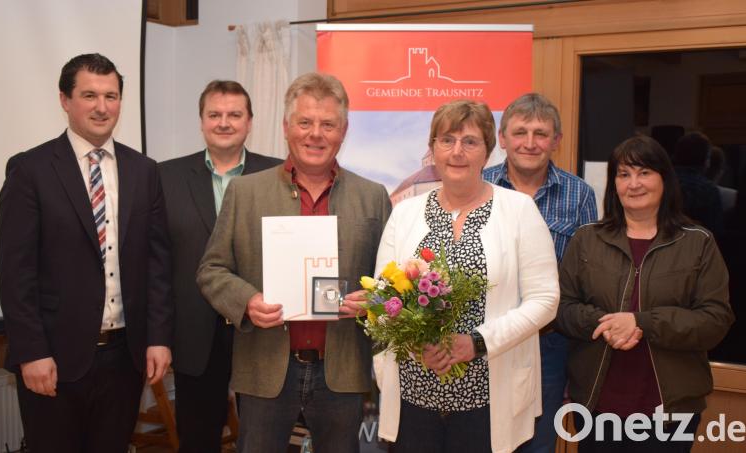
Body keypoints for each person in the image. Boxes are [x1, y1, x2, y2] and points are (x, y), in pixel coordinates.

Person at [196, 72, 391, 453]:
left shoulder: (372, 197)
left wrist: (376, 301)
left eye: (328, 124)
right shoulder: (246, 192)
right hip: (266, 368)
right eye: (305, 122)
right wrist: (247, 301)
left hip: (342, 370)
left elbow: (391, 281)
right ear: (287, 127)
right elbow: (211, 269)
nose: (315, 134)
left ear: (344, 130)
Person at [0, 53, 173, 452]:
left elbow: (158, 265)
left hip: (124, 360)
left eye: (111, 96)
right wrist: (32, 353)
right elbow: (16, 272)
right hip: (54, 361)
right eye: (89, 95)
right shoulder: (30, 170)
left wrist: (159, 338)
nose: (102, 106)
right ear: (64, 100)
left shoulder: (145, 171)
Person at [374, 99, 560, 453]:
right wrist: (418, 347)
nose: (457, 152)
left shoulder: (519, 210)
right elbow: (385, 298)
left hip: (489, 401)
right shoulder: (405, 214)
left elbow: (545, 300)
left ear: (488, 151)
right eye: (447, 140)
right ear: (433, 150)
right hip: (415, 396)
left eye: (470, 141)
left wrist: (476, 342)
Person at [555, 135, 734, 452]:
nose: (633, 184)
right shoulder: (587, 239)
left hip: (671, 408)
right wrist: (606, 323)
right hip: (597, 402)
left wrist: (642, 322)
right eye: (623, 175)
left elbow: (715, 319)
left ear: (665, 178)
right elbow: (562, 308)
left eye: (644, 172)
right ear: (614, 184)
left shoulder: (698, 243)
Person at [159, 80, 281, 452]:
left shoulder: (278, 175)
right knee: (197, 440)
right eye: (215, 114)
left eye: (234, 115)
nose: (224, 123)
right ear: (201, 121)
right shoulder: (164, 177)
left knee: (263, 439)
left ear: (250, 122)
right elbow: (156, 262)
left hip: (262, 329)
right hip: (194, 333)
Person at [482, 92, 597, 453]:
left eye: (540, 133)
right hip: (485, 337)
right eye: (520, 132)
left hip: (548, 342)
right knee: (482, 440)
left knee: (537, 443)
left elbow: (587, 276)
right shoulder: (479, 187)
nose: (529, 143)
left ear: (556, 141)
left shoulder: (579, 194)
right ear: (502, 139)